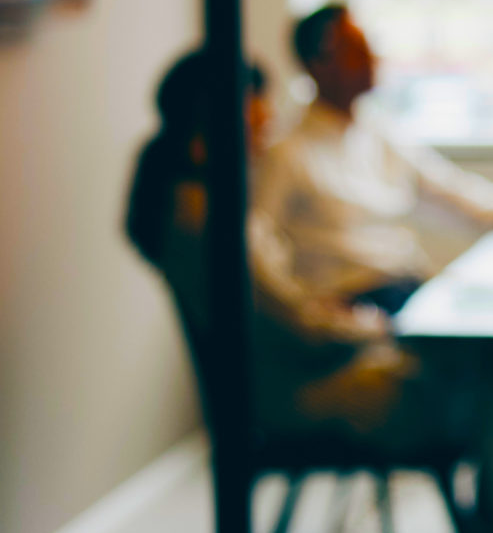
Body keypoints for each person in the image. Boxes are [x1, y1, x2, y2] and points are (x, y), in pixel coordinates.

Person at [126, 48, 425, 446]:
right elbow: (298, 324)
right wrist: (373, 326)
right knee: (481, 373)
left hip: (283, 381)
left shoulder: (192, 204)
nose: (269, 115)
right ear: (222, 112)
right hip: (300, 397)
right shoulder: (215, 218)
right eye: (258, 101)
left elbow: (280, 307)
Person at [257, 2, 493, 318]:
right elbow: (259, 250)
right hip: (356, 305)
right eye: (355, 50)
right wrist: (307, 310)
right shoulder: (288, 153)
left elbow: (463, 197)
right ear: (319, 64)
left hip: (408, 290)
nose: (372, 59)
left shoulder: (379, 134)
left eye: (369, 47)